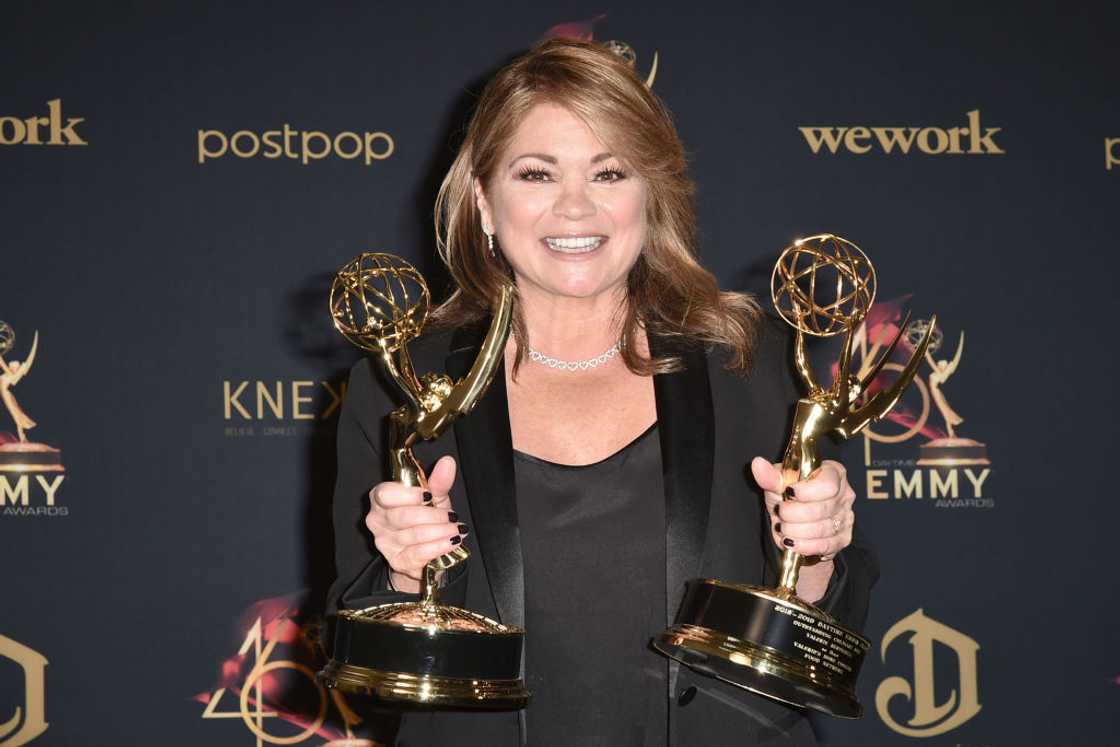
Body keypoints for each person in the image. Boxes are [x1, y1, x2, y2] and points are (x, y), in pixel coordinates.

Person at [327, 37, 876, 746]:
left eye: (610, 172)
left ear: (651, 196)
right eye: (536, 174)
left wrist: (818, 553)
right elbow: (356, 646)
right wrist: (403, 583)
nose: (576, 208)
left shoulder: (749, 362)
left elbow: (827, 635)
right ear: (484, 203)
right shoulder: (398, 379)